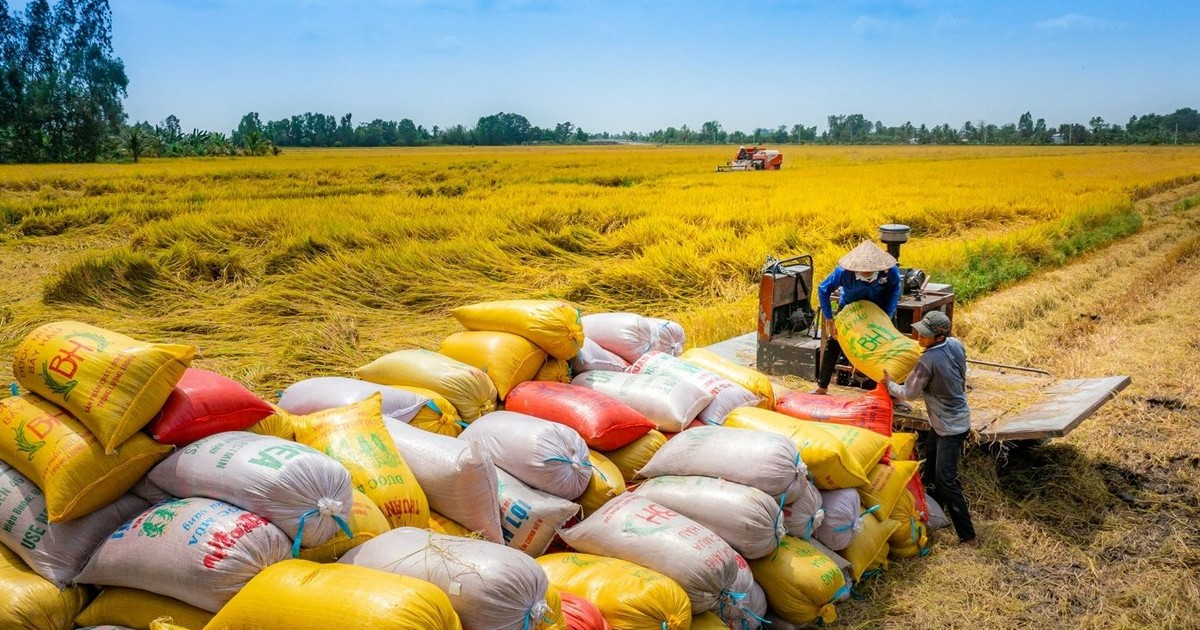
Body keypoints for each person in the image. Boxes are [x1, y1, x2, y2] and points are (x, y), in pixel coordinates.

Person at [881, 310, 978, 547]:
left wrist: (889, 384)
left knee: (946, 480)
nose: (919, 336)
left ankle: (968, 536)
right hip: (953, 419)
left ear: (938, 336)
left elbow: (909, 393)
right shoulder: (955, 345)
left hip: (949, 427)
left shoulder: (927, 361)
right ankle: (934, 514)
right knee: (931, 470)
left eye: (925, 334)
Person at [812, 240, 901, 395]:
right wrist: (830, 318)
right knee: (834, 343)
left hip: (878, 310)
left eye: (869, 270)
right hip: (849, 309)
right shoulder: (843, 273)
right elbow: (823, 289)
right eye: (862, 270)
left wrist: (888, 314)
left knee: (888, 346)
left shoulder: (889, 272)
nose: (865, 272)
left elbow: (895, 289)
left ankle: (892, 392)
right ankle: (822, 385)